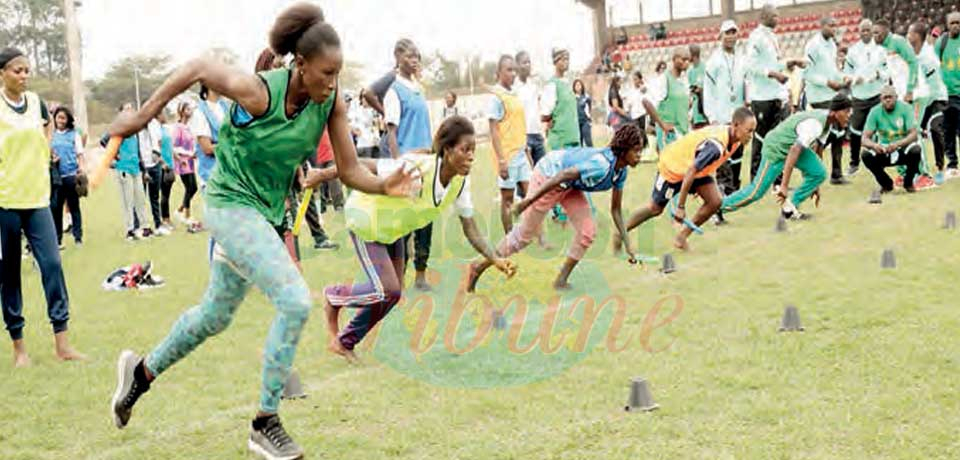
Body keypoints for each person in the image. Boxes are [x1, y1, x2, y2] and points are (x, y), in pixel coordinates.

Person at [106, 5, 418, 459]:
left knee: (213, 317)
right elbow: (197, 66)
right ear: (301, 64)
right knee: (294, 301)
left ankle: (140, 374)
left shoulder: (328, 102)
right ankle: (264, 423)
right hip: (230, 205)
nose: (333, 83)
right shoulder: (257, 93)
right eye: (326, 73)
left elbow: (349, 169)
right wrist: (141, 118)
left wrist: (383, 184)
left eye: (339, 74)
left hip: (265, 215)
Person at [324, 116, 516, 361]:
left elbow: (471, 228)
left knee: (393, 294)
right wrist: (322, 175)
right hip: (366, 219)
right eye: (465, 150)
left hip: (394, 230)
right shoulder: (418, 168)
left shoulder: (459, 182)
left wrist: (495, 259)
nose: (471, 157)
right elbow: (363, 165)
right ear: (447, 150)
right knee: (387, 289)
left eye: (473, 151)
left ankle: (345, 341)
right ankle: (335, 295)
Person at [467, 124, 645, 292]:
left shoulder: (620, 171)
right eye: (636, 151)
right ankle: (479, 266)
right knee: (523, 237)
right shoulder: (601, 165)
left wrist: (627, 244)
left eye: (641, 151)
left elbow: (616, 210)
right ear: (624, 149)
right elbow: (563, 174)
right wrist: (527, 201)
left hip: (569, 186)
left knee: (587, 232)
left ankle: (561, 280)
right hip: (549, 175)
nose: (640, 156)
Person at [0, 47, 85, 367]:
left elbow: (46, 126)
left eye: (26, 70)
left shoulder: (35, 102)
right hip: (5, 201)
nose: (24, 75)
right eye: (17, 70)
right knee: (9, 274)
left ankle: (62, 344)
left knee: (52, 264)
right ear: (2, 74)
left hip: (37, 198)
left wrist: (45, 146)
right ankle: (19, 349)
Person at [618, 108, 757, 251]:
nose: (751, 135)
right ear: (736, 125)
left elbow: (704, 163)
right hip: (673, 168)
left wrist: (701, 186)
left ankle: (681, 237)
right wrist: (681, 207)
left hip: (694, 169)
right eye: (749, 131)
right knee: (655, 209)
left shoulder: (735, 139)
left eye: (753, 131)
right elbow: (691, 170)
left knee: (715, 201)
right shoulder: (716, 146)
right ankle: (621, 231)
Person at [721, 95, 852, 221]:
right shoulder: (816, 124)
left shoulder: (827, 122)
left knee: (819, 173)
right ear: (835, 112)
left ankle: (789, 209)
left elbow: (818, 150)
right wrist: (784, 186)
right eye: (846, 111)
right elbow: (794, 151)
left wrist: (815, 185)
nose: (849, 115)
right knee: (755, 192)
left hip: (791, 146)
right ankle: (717, 208)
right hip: (776, 148)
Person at [380, 39, 434, 291]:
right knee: (403, 224)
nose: (415, 60)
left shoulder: (417, 88)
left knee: (425, 220)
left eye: (417, 56)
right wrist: (399, 166)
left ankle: (421, 275)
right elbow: (391, 132)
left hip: (426, 164)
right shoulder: (394, 91)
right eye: (410, 56)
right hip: (407, 165)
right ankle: (397, 277)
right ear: (398, 57)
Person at [746, 4, 806, 180]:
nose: (777, 19)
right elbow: (750, 65)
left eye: (778, 16)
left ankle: (777, 179)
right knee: (761, 138)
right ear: (763, 16)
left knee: (778, 138)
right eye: (774, 16)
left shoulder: (772, 37)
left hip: (777, 95)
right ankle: (756, 178)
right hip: (762, 97)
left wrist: (791, 62)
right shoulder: (756, 37)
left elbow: (776, 63)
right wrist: (772, 74)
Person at [804, 16, 852, 185]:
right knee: (824, 132)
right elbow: (807, 73)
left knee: (838, 131)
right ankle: (812, 171)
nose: (834, 29)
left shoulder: (832, 45)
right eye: (831, 26)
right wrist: (827, 83)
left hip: (831, 94)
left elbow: (832, 71)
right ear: (822, 26)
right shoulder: (813, 45)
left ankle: (836, 174)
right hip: (818, 96)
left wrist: (843, 77)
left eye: (835, 26)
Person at [705, 20, 747, 204]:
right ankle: (723, 189)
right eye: (727, 33)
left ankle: (734, 188)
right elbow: (708, 91)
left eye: (733, 32)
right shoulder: (714, 61)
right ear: (720, 36)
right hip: (720, 115)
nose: (730, 36)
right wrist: (712, 117)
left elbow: (747, 82)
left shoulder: (741, 58)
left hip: (738, 114)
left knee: (738, 152)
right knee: (723, 154)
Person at [489, 55, 532, 235]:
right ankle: (509, 238)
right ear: (499, 72)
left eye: (514, 70)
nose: (513, 73)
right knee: (507, 198)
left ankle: (535, 235)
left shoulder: (514, 94)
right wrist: (501, 160)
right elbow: (494, 130)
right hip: (507, 156)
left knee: (531, 196)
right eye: (509, 70)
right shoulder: (496, 96)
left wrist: (527, 149)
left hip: (521, 153)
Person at [844, 18, 888, 177]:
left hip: (877, 95)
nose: (865, 33)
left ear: (872, 31)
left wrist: (877, 74)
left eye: (868, 30)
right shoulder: (853, 51)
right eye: (862, 30)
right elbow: (846, 73)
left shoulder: (880, 50)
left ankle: (881, 159)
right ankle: (854, 162)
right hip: (859, 97)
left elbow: (887, 71)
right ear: (859, 32)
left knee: (881, 128)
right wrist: (853, 79)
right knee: (855, 130)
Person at [861, 85, 923, 193]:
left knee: (916, 149)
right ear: (881, 99)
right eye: (885, 98)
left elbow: (914, 134)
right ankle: (886, 184)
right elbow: (864, 138)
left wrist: (898, 144)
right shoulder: (874, 111)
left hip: (902, 148)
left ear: (896, 97)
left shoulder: (906, 108)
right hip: (884, 149)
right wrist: (874, 146)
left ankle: (908, 183)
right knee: (865, 154)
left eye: (890, 97)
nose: (888, 100)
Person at [910, 22, 949, 183]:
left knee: (934, 129)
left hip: (936, 98)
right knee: (914, 133)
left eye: (911, 33)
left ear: (918, 36)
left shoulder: (928, 58)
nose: (908, 36)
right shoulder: (910, 53)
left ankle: (940, 168)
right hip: (921, 99)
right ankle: (917, 170)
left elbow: (931, 85)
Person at [111, 104, 151, 241]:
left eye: (131, 109)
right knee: (128, 201)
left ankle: (145, 227)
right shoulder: (118, 130)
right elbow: (105, 141)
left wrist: (144, 169)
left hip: (136, 168)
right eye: (126, 109)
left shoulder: (134, 130)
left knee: (140, 198)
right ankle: (130, 230)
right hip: (124, 168)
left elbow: (138, 150)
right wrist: (115, 156)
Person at [642, 47, 691, 151]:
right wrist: (662, 124)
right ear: (674, 59)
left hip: (683, 132)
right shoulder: (664, 79)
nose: (686, 63)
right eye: (683, 59)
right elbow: (646, 101)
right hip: (669, 135)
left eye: (688, 60)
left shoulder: (684, 81)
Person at [49, 106, 84, 246]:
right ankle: (58, 240)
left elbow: (80, 154)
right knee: (56, 209)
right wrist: (52, 159)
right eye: (59, 117)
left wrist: (81, 169)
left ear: (68, 120)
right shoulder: (51, 135)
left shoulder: (74, 134)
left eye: (63, 118)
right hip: (57, 177)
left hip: (71, 175)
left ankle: (78, 237)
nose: (61, 121)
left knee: (74, 206)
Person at [934, 12, 960, 178]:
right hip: (947, 94)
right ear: (947, 24)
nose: (956, 25)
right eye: (952, 23)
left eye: (958, 22)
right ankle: (952, 165)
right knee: (949, 130)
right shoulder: (941, 42)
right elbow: (935, 66)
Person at [540, 48, 581, 150]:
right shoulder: (552, 85)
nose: (566, 62)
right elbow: (545, 114)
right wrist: (551, 121)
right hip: (561, 141)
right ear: (555, 62)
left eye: (567, 59)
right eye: (562, 59)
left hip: (573, 138)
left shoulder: (567, 83)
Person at [190, 83, 229, 187]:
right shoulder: (200, 112)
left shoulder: (226, 107)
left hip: (230, 173)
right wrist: (232, 147)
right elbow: (207, 148)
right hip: (211, 175)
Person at [874, 18, 919, 104]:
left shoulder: (898, 41)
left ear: (885, 31)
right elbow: (893, 71)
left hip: (910, 92)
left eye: (876, 32)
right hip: (899, 92)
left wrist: (910, 89)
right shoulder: (882, 48)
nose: (874, 36)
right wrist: (879, 74)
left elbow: (913, 63)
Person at [515, 51, 547, 166]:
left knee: (543, 173)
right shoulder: (514, 88)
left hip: (537, 135)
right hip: (523, 136)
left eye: (529, 62)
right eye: (524, 62)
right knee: (527, 175)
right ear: (517, 65)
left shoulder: (533, 85)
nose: (528, 65)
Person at [171, 102, 199, 227]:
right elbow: (174, 147)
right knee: (190, 187)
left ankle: (180, 210)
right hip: (183, 161)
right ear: (182, 111)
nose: (191, 111)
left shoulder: (189, 127)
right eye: (188, 109)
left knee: (193, 187)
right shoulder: (178, 127)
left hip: (190, 161)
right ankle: (186, 215)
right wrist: (187, 154)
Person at [152, 110, 175, 231]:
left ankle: (167, 218)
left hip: (170, 164)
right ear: (157, 116)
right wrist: (163, 163)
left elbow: (169, 147)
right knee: (163, 195)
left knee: (167, 194)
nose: (165, 115)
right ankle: (164, 219)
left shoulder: (165, 128)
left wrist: (176, 159)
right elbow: (156, 149)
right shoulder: (156, 130)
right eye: (162, 113)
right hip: (162, 166)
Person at [350, 89, 381, 158]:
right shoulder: (357, 111)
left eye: (368, 97)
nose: (366, 99)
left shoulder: (375, 111)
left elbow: (378, 126)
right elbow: (351, 126)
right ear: (361, 98)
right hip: (363, 145)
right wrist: (356, 131)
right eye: (364, 97)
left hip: (376, 145)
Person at [687, 44, 708, 129]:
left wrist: (701, 89)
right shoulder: (690, 71)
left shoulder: (705, 68)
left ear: (693, 55)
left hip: (705, 109)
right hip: (696, 112)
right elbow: (690, 92)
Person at [573, 78, 593, 147]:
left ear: (582, 86)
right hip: (576, 123)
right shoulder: (572, 97)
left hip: (585, 122)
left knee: (588, 141)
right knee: (579, 142)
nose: (578, 86)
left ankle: (592, 155)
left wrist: (589, 119)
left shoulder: (586, 97)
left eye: (579, 85)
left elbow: (589, 108)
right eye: (576, 85)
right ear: (574, 87)